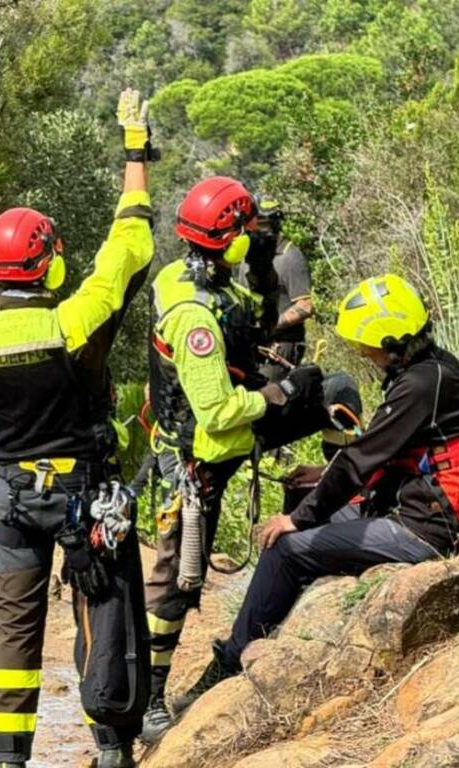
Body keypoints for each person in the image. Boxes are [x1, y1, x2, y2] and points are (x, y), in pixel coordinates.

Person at [176, 274, 459, 710]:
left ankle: (232, 662)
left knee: (286, 545)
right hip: (413, 503)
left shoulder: (421, 384)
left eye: (366, 344)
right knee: (300, 507)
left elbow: (360, 459)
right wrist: (318, 478)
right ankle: (270, 631)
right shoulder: (429, 369)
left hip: (425, 527)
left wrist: (298, 520)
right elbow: (385, 449)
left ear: (391, 339)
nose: (362, 352)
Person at [0, 88, 156, 768]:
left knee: (13, 634)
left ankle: (8, 759)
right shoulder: (74, 323)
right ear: (49, 265)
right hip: (82, 498)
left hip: (10, 503)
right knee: (102, 607)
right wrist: (134, 148)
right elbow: (130, 244)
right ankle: (109, 744)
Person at [141, 176, 325, 744]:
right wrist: (273, 396)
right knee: (178, 578)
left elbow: (253, 315)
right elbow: (218, 410)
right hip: (201, 457)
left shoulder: (190, 278)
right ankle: (150, 699)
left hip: (215, 448)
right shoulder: (196, 317)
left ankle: (328, 511)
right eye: (248, 231)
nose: (255, 236)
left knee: (330, 387)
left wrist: (264, 262)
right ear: (227, 239)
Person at [241, 197, 314, 382]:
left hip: (281, 346)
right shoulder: (246, 255)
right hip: (252, 345)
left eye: (266, 224)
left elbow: (305, 306)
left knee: (270, 397)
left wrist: (271, 325)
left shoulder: (290, 256)